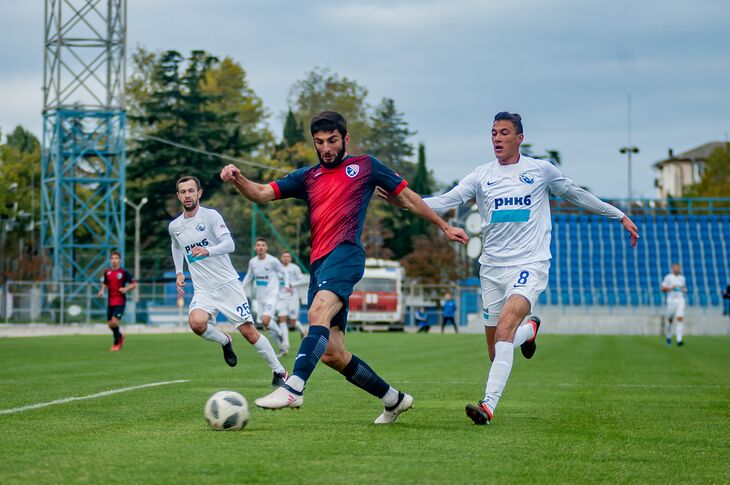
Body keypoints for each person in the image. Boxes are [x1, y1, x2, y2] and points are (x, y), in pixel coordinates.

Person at [220, 110, 468, 424]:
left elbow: (408, 198)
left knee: (317, 313)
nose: (326, 148)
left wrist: (444, 226)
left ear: (346, 138)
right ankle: (393, 399)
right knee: (332, 353)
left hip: (346, 254)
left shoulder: (366, 166)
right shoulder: (308, 177)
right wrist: (238, 178)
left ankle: (294, 386)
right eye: (319, 142)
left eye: (332, 140)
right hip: (319, 265)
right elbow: (261, 193)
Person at [412, 112, 638, 425]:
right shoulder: (481, 176)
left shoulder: (540, 171)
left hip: (529, 264)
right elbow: (443, 201)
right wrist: (403, 198)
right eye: (493, 133)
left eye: (504, 133)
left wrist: (619, 215)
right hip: (491, 268)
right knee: (496, 351)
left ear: (520, 138)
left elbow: (576, 194)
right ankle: (530, 330)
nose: (497, 138)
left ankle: (488, 406)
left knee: (505, 329)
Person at [170, 176, 287, 386]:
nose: (187, 195)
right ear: (178, 195)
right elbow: (176, 246)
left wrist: (207, 250)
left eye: (191, 191)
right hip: (203, 289)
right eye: (183, 192)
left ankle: (279, 371)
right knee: (196, 323)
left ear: (199, 193)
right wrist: (179, 272)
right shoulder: (175, 226)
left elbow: (229, 244)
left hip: (227, 285)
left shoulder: (211, 216)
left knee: (249, 332)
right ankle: (225, 340)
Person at [241, 238, 289, 356]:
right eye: (258, 245)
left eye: (263, 245)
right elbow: (249, 276)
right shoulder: (253, 262)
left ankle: (281, 334)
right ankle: (282, 348)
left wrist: (287, 285)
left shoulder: (272, 260)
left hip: (272, 295)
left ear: (266, 248)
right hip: (260, 297)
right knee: (267, 326)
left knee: (265, 320)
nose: (261, 247)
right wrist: (241, 287)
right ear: (255, 248)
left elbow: (285, 272)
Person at [97, 251, 137, 351]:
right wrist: (102, 291)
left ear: (120, 260)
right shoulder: (107, 272)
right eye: (112, 258)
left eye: (116, 258)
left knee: (114, 322)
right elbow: (105, 283)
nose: (114, 260)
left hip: (120, 301)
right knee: (110, 325)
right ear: (110, 260)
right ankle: (120, 335)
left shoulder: (124, 272)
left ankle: (116, 343)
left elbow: (134, 284)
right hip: (110, 301)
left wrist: (126, 289)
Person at [276, 251, 308, 341]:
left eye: (288, 256)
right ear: (281, 258)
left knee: (292, 321)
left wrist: (292, 284)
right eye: (284, 256)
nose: (286, 258)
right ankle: (285, 344)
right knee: (282, 318)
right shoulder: (277, 268)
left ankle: (303, 331)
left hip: (293, 297)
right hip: (281, 297)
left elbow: (303, 280)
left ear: (290, 258)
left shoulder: (295, 268)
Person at [660, 263, 687, 346]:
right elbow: (662, 288)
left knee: (680, 318)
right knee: (670, 320)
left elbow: (683, 288)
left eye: (678, 268)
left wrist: (684, 290)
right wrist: (671, 288)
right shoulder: (668, 277)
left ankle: (679, 340)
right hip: (671, 301)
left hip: (680, 300)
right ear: (672, 269)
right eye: (675, 268)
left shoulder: (682, 278)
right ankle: (668, 336)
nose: (677, 270)